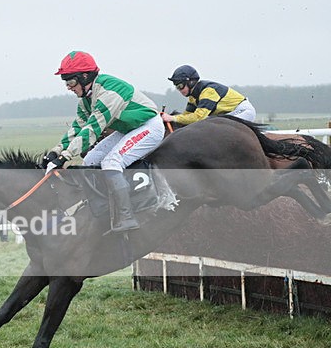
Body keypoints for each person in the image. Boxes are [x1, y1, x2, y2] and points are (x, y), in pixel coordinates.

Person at [45, 51, 165, 232]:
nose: (68, 87)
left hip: (149, 126)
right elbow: (77, 128)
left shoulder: (108, 92)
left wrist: (65, 157)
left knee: (111, 161)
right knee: (90, 159)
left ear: (85, 77)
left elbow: (92, 129)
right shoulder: (86, 100)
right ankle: (102, 206)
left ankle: (127, 216)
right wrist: (56, 151)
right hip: (130, 128)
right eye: (65, 82)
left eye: (70, 82)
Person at [161, 65, 256, 125]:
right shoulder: (192, 97)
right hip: (229, 113)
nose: (179, 90)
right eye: (177, 87)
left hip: (242, 110)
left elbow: (198, 118)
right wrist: (170, 119)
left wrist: (172, 118)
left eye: (180, 86)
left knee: (216, 125)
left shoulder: (208, 91)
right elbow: (187, 117)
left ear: (190, 82)